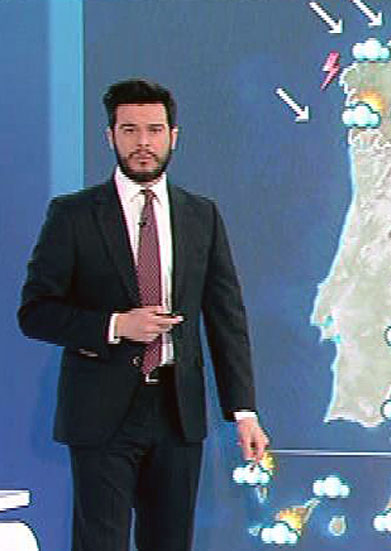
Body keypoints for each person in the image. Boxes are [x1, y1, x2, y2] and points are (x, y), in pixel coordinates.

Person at [18, 78, 269, 551]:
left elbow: (226, 319)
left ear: (174, 136)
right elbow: (35, 312)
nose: (142, 143)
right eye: (129, 130)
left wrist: (244, 411)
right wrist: (116, 325)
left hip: (176, 412)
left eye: (154, 130)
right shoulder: (73, 215)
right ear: (110, 136)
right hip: (101, 413)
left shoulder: (202, 216)